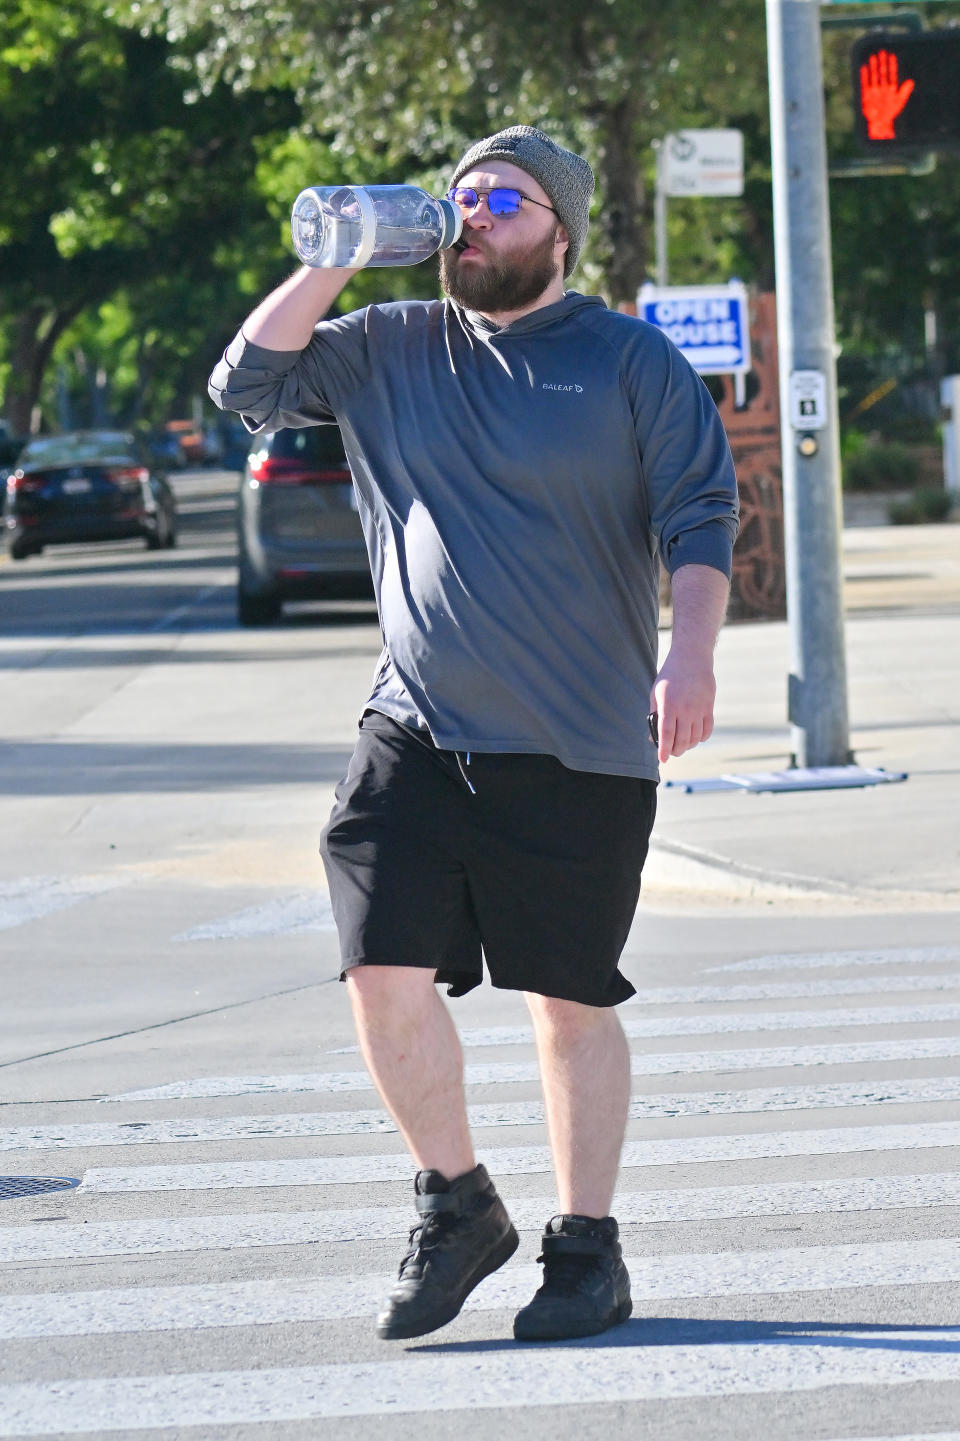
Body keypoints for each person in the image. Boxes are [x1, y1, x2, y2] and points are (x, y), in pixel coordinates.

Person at [209, 124, 739, 1344]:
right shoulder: (387, 344)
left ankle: (586, 1248)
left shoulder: (626, 360)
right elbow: (245, 384)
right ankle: (456, 1202)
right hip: (414, 727)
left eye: (502, 200)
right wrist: (339, 255)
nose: (475, 218)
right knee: (378, 966)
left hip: (578, 742)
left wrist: (693, 652)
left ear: (560, 228)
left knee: (565, 1001)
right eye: (460, 201)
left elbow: (701, 515)